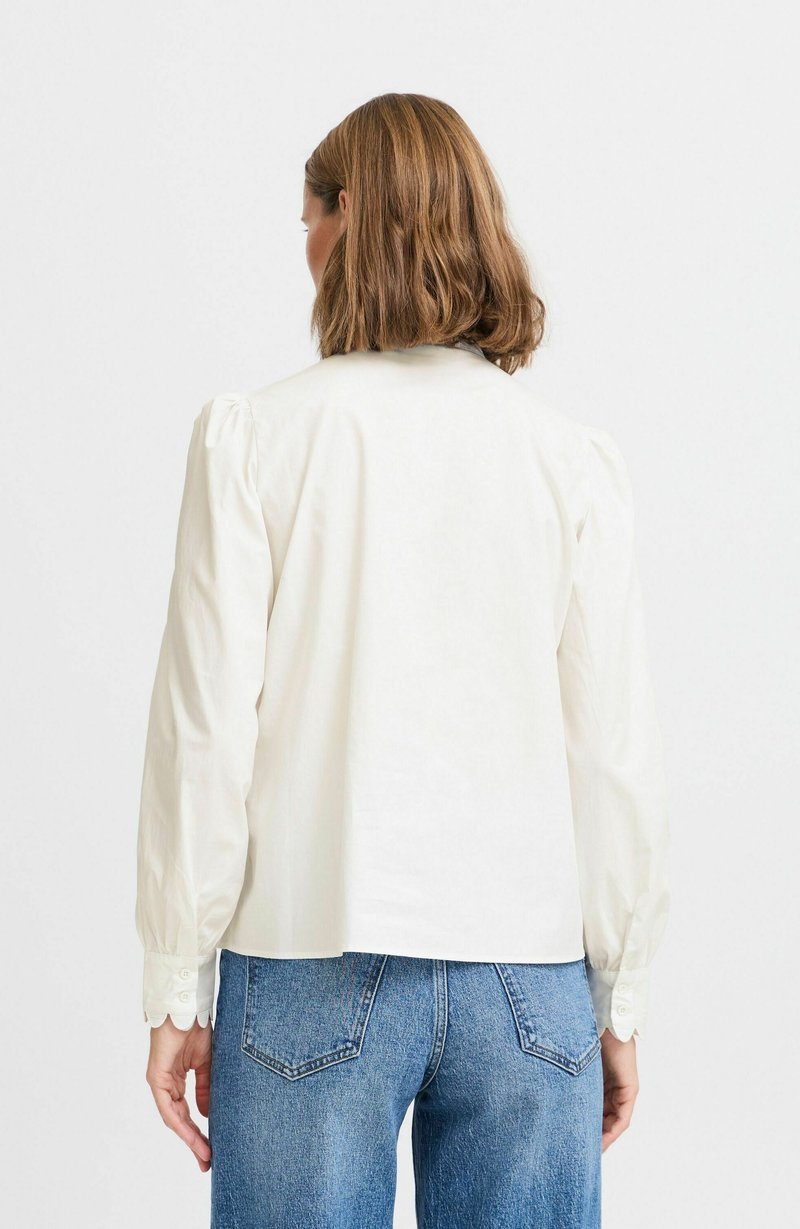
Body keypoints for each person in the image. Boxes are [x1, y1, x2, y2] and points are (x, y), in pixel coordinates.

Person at [135, 92, 670, 1227]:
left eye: (307, 221)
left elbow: (204, 733)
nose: (305, 251)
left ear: (348, 217)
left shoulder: (257, 439)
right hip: (529, 976)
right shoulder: (568, 461)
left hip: (308, 953)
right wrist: (618, 996)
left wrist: (178, 982)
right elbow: (613, 751)